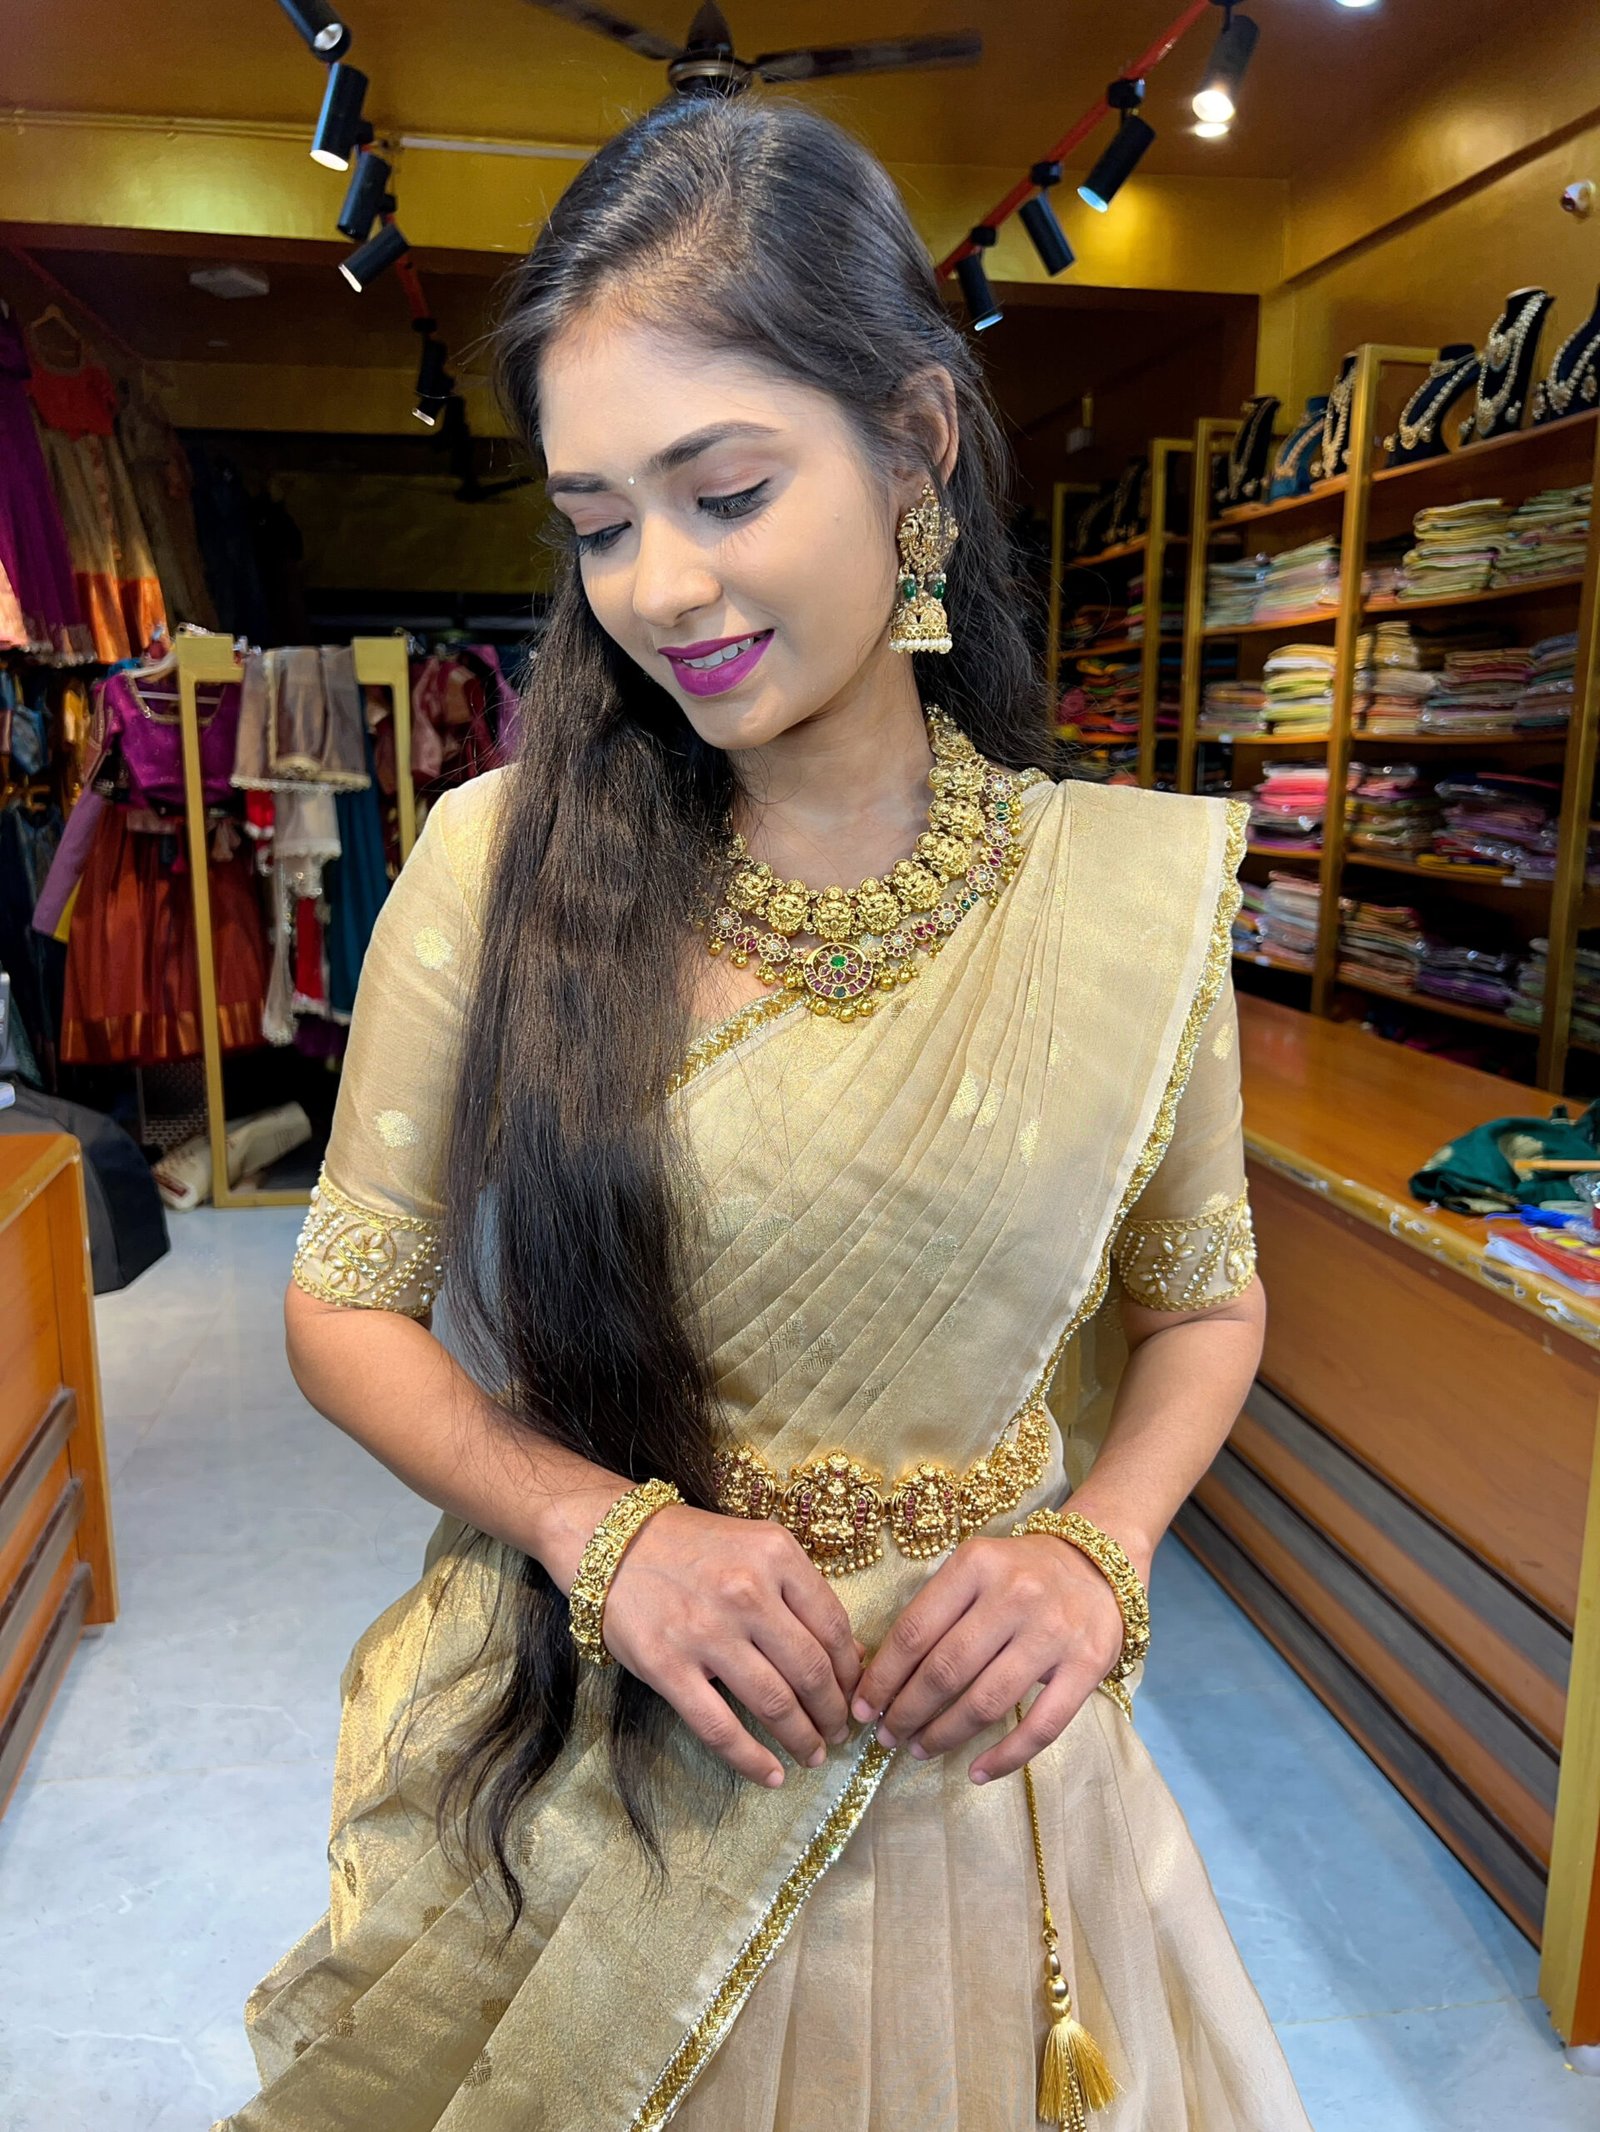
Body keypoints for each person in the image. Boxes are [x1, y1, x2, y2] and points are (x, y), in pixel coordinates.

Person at [216, 93, 1313, 2132]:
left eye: (724, 490)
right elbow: (344, 1304)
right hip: (623, 1750)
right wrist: (601, 1534)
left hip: (978, 1773)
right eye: (598, 521)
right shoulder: (497, 864)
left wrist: (1097, 1548)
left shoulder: (1119, 899)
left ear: (913, 447)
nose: (660, 586)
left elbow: (1206, 1301)